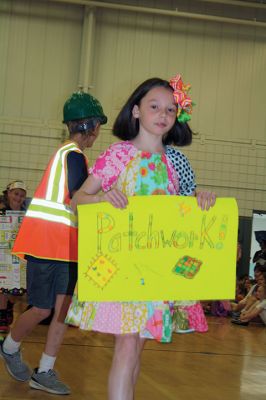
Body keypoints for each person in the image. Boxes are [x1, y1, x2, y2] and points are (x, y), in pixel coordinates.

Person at [65, 74, 215, 400]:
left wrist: (200, 199)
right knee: (127, 343)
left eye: (171, 110)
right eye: (154, 106)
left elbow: (183, 213)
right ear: (136, 111)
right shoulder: (118, 155)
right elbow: (78, 200)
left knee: (137, 347)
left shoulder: (176, 162)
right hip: (123, 268)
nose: (163, 115)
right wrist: (102, 198)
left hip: (157, 273)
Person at [0, 91, 107, 395]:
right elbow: (78, 199)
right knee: (43, 309)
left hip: (67, 247)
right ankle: (9, 348)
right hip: (48, 245)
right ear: (91, 125)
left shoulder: (74, 155)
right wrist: (109, 199)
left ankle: (44, 370)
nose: (98, 131)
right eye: (98, 123)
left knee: (62, 310)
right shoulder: (71, 155)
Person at [0, 181, 27, 333]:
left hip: (18, 255)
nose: (19, 197)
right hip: (3, 254)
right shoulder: (2, 211)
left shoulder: (25, 215)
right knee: (3, 289)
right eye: (16, 193)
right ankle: (2, 316)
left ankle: (9, 306)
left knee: (15, 291)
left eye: (22, 195)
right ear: (9, 193)